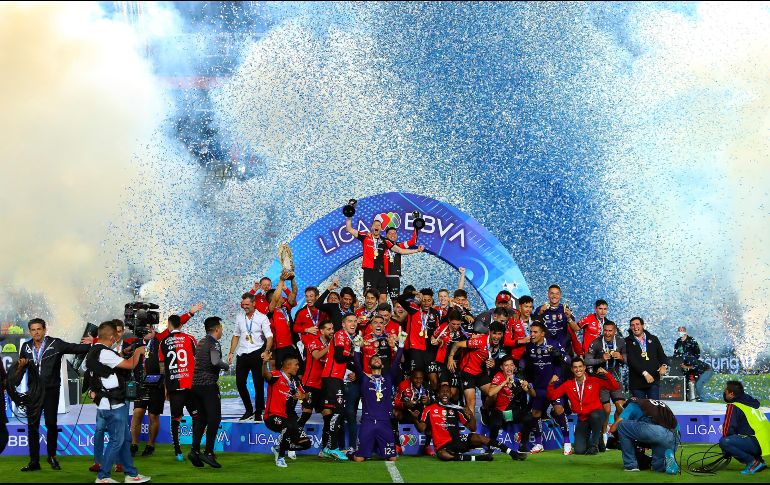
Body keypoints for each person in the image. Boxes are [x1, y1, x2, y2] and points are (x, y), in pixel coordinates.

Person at [17, 318, 92, 472]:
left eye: (39, 329)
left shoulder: (55, 344)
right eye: (33, 330)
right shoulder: (26, 347)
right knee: (33, 426)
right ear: (29, 332)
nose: (36, 332)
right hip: (34, 393)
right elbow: (21, 369)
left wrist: (94, 342)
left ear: (44, 330)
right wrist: (13, 383)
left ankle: (52, 456)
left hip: (51, 391)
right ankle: (34, 461)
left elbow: (77, 348)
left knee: (51, 424)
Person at [130, 303, 202, 458]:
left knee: (154, 415)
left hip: (159, 383)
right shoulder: (134, 342)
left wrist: (189, 313)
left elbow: (175, 325)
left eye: (150, 328)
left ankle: (151, 445)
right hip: (143, 385)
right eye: (146, 329)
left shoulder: (160, 339)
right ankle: (134, 445)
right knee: (137, 413)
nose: (149, 331)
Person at [85, 321, 150, 483]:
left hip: (107, 403)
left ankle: (131, 474)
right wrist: (138, 352)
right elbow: (130, 365)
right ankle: (103, 476)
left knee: (123, 439)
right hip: (113, 404)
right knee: (117, 440)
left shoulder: (94, 351)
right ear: (112, 337)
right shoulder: (105, 353)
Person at [417, 384, 527, 461]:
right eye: (442, 392)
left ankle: (513, 453)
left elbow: (472, 428)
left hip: (457, 440)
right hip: (442, 445)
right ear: (438, 395)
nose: (445, 394)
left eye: (447, 392)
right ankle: (477, 458)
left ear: (451, 394)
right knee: (442, 455)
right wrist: (414, 419)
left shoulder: (456, 409)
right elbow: (421, 428)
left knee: (479, 438)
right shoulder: (429, 409)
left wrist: (471, 415)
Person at [348, 336, 404, 461]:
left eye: (379, 359)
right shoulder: (364, 379)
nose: (377, 360)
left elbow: (396, 362)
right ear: (369, 365)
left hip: (384, 422)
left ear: (383, 365)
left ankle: (378, 449)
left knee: (393, 458)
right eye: (374, 359)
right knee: (359, 459)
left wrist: (400, 344)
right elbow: (357, 364)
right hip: (368, 421)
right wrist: (357, 347)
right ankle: (350, 453)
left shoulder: (388, 378)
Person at [519, 321, 572, 455]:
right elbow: (524, 360)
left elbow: (567, 359)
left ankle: (567, 442)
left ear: (542, 333)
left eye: (535, 332)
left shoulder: (553, 344)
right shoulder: (530, 346)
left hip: (554, 384)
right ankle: (539, 443)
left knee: (559, 409)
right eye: (531, 332)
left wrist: (557, 355)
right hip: (539, 385)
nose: (532, 335)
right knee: (536, 413)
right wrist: (521, 371)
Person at [547, 358, 619, 455]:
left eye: (580, 366)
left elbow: (615, 387)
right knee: (579, 450)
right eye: (575, 367)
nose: (578, 369)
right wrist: (551, 384)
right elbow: (552, 396)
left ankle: (594, 445)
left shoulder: (594, 381)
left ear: (584, 367)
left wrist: (607, 374)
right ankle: (598, 440)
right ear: (572, 369)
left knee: (595, 416)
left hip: (597, 414)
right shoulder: (568, 384)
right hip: (583, 418)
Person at [345, 213, 417, 301]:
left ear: (381, 229)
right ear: (372, 227)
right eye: (375, 225)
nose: (377, 226)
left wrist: (416, 250)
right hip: (369, 272)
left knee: (383, 298)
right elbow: (349, 229)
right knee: (369, 296)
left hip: (381, 273)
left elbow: (400, 250)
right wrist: (349, 215)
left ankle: (382, 314)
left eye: (379, 225)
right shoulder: (365, 237)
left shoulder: (385, 241)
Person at [188, 316, 229, 469]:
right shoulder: (214, 343)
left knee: (201, 419)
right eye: (221, 328)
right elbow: (215, 362)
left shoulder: (201, 342)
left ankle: (194, 450)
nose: (222, 331)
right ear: (217, 329)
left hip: (195, 385)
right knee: (214, 418)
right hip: (208, 385)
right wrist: (227, 366)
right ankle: (209, 452)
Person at [227, 292, 273, 422]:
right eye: (243, 304)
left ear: (254, 303)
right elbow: (236, 335)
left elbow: (269, 336)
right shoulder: (239, 317)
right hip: (242, 353)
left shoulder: (262, 318)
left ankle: (259, 411)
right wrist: (231, 352)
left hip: (257, 352)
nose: (245, 307)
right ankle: (248, 409)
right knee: (240, 383)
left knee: (258, 384)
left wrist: (267, 350)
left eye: (247, 304)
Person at [160, 314, 200, 462]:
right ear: (181, 325)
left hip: (174, 386)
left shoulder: (163, 342)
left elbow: (163, 367)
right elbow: (197, 359)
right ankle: (195, 448)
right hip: (190, 385)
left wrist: (166, 387)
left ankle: (177, 451)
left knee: (176, 418)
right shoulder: (190, 339)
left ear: (169, 325)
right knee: (196, 416)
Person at [320, 314, 358, 460]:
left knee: (333, 412)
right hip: (332, 378)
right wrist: (355, 354)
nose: (353, 323)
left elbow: (344, 361)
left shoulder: (347, 338)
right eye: (349, 321)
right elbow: (339, 357)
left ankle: (327, 447)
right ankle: (334, 447)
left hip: (334, 378)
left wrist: (357, 370)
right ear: (343, 324)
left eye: (355, 321)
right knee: (339, 412)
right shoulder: (341, 335)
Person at [447, 321, 507, 416]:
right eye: (494, 333)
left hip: (480, 373)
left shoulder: (501, 344)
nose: (496, 336)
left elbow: (497, 358)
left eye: (499, 334)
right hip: (468, 372)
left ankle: (483, 409)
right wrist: (451, 357)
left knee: (493, 394)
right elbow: (457, 344)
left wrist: (493, 363)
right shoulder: (479, 341)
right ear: (490, 332)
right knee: (471, 402)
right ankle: (472, 429)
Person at [584, 320, 626, 451]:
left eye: (610, 331)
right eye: (605, 330)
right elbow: (586, 360)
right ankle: (603, 437)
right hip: (601, 380)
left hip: (616, 379)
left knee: (621, 408)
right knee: (606, 410)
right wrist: (601, 359)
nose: (607, 333)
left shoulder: (621, 342)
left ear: (615, 331)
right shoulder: (596, 342)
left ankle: (615, 433)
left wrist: (620, 357)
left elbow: (629, 358)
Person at [264, 356, 312, 468]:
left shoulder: (295, 381)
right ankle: (280, 458)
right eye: (296, 364)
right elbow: (265, 375)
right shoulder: (276, 375)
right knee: (288, 426)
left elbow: (307, 395)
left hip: (288, 417)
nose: (298, 367)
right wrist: (264, 363)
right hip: (272, 415)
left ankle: (279, 447)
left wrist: (303, 396)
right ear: (288, 365)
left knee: (306, 443)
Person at [609, 397, 679, 474]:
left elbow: (613, 429)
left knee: (622, 426)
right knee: (657, 467)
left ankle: (630, 465)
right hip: (675, 437)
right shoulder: (654, 403)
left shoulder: (632, 405)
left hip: (657, 433)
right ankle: (664, 464)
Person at [484, 356, 536, 454]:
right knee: (496, 424)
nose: (509, 368)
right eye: (506, 365)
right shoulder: (499, 376)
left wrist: (528, 386)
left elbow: (533, 394)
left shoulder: (518, 378)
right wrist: (504, 382)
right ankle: (490, 446)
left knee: (529, 418)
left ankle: (522, 446)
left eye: (511, 365)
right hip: (499, 411)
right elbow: (490, 393)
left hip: (511, 412)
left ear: (514, 367)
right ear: (501, 367)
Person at [718, 380, 768, 474]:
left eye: (726, 391)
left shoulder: (733, 405)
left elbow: (727, 431)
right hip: (765, 442)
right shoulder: (750, 402)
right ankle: (759, 461)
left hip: (756, 442)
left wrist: (726, 449)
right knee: (743, 436)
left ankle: (753, 462)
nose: (724, 392)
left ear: (731, 394)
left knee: (724, 442)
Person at [298, 320, 334, 428]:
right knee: (306, 413)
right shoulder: (313, 342)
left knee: (327, 414)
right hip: (311, 384)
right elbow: (317, 356)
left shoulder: (331, 344)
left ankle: (326, 444)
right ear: (322, 331)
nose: (332, 331)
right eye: (329, 329)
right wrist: (331, 346)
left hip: (325, 385)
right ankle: (290, 439)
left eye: (332, 329)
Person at [396, 290, 440, 374]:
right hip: (416, 349)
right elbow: (400, 299)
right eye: (424, 300)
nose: (426, 303)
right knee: (416, 376)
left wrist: (436, 339)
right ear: (420, 299)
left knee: (433, 378)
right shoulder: (413, 308)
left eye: (429, 300)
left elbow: (438, 330)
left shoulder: (435, 313)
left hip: (430, 349)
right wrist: (413, 293)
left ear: (432, 301)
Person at [430, 309, 469, 404]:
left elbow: (470, 340)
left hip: (455, 362)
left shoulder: (463, 330)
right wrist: (435, 341)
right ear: (449, 321)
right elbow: (433, 337)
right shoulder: (442, 328)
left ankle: (455, 408)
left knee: (454, 392)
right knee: (444, 388)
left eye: (458, 324)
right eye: (453, 324)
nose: (456, 326)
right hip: (442, 362)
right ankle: (438, 406)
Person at [625, 317, 668, 399]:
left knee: (654, 409)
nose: (635, 327)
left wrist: (664, 365)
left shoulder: (653, 339)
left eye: (637, 324)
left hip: (653, 381)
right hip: (637, 383)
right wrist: (645, 373)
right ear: (630, 327)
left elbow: (662, 355)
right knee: (640, 410)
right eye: (632, 325)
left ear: (643, 325)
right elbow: (631, 361)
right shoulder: (627, 341)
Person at [533, 285, 579, 357]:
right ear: (548, 294)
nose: (554, 296)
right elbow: (533, 328)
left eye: (557, 294)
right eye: (552, 293)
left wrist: (569, 318)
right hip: (547, 349)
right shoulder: (541, 309)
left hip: (564, 349)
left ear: (560, 295)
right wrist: (539, 314)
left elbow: (575, 329)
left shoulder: (566, 309)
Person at [266, 271, 299, 370]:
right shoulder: (270, 311)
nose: (282, 297)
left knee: (296, 371)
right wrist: (281, 280)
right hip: (279, 348)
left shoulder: (285, 308)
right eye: (281, 296)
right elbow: (275, 298)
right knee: (282, 373)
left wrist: (292, 278)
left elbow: (294, 292)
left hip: (291, 345)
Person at [673, 326, 713, 402]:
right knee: (689, 384)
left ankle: (705, 403)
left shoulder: (690, 355)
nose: (681, 332)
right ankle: (691, 400)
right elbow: (675, 354)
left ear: (685, 331)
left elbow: (696, 363)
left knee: (698, 386)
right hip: (695, 370)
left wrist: (687, 367)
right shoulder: (678, 342)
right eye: (679, 330)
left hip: (706, 370)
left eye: (682, 330)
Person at [383, 226, 421, 300]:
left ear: (397, 235)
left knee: (395, 300)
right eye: (390, 233)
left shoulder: (400, 245)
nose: (392, 235)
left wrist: (416, 227)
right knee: (382, 299)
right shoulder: (381, 245)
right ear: (386, 235)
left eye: (394, 233)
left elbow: (413, 241)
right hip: (382, 277)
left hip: (394, 277)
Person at [504, 295, 534, 366]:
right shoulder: (513, 321)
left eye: (530, 307)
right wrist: (521, 341)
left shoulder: (535, 320)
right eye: (526, 307)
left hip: (533, 356)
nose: (528, 309)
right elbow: (506, 342)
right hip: (517, 357)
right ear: (520, 307)